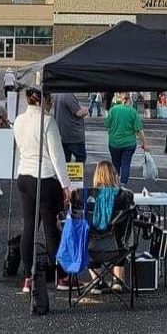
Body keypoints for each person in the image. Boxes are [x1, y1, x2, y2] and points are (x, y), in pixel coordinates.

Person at [13, 87, 71, 292]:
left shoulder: (19, 120)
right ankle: (61, 277)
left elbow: (20, 147)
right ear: (43, 100)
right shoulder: (48, 122)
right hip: (45, 178)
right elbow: (57, 157)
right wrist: (65, 185)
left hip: (24, 176)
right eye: (50, 99)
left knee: (29, 228)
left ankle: (28, 277)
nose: (51, 102)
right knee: (51, 230)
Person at [86, 160, 136, 292]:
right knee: (121, 234)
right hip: (118, 248)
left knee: (88, 237)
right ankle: (117, 281)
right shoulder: (125, 195)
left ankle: (96, 281)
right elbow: (133, 216)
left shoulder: (87, 196)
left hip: (93, 248)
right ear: (113, 175)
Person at [104, 93, 149, 185]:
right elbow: (139, 130)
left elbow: (107, 124)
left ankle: (114, 183)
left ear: (121, 99)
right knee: (126, 164)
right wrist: (145, 144)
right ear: (130, 100)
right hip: (129, 144)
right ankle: (123, 184)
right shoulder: (133, 112)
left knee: (115, 164)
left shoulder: (114, 109)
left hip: (114, 142)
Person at [53, 92, 88, 163]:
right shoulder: (68, 95)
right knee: (81, 157)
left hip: (62, 134)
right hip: (73, 135)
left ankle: (67, 173)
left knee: (66, 158)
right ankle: (77, 174)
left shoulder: (57, 94)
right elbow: (78, 113)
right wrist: (86, 111)